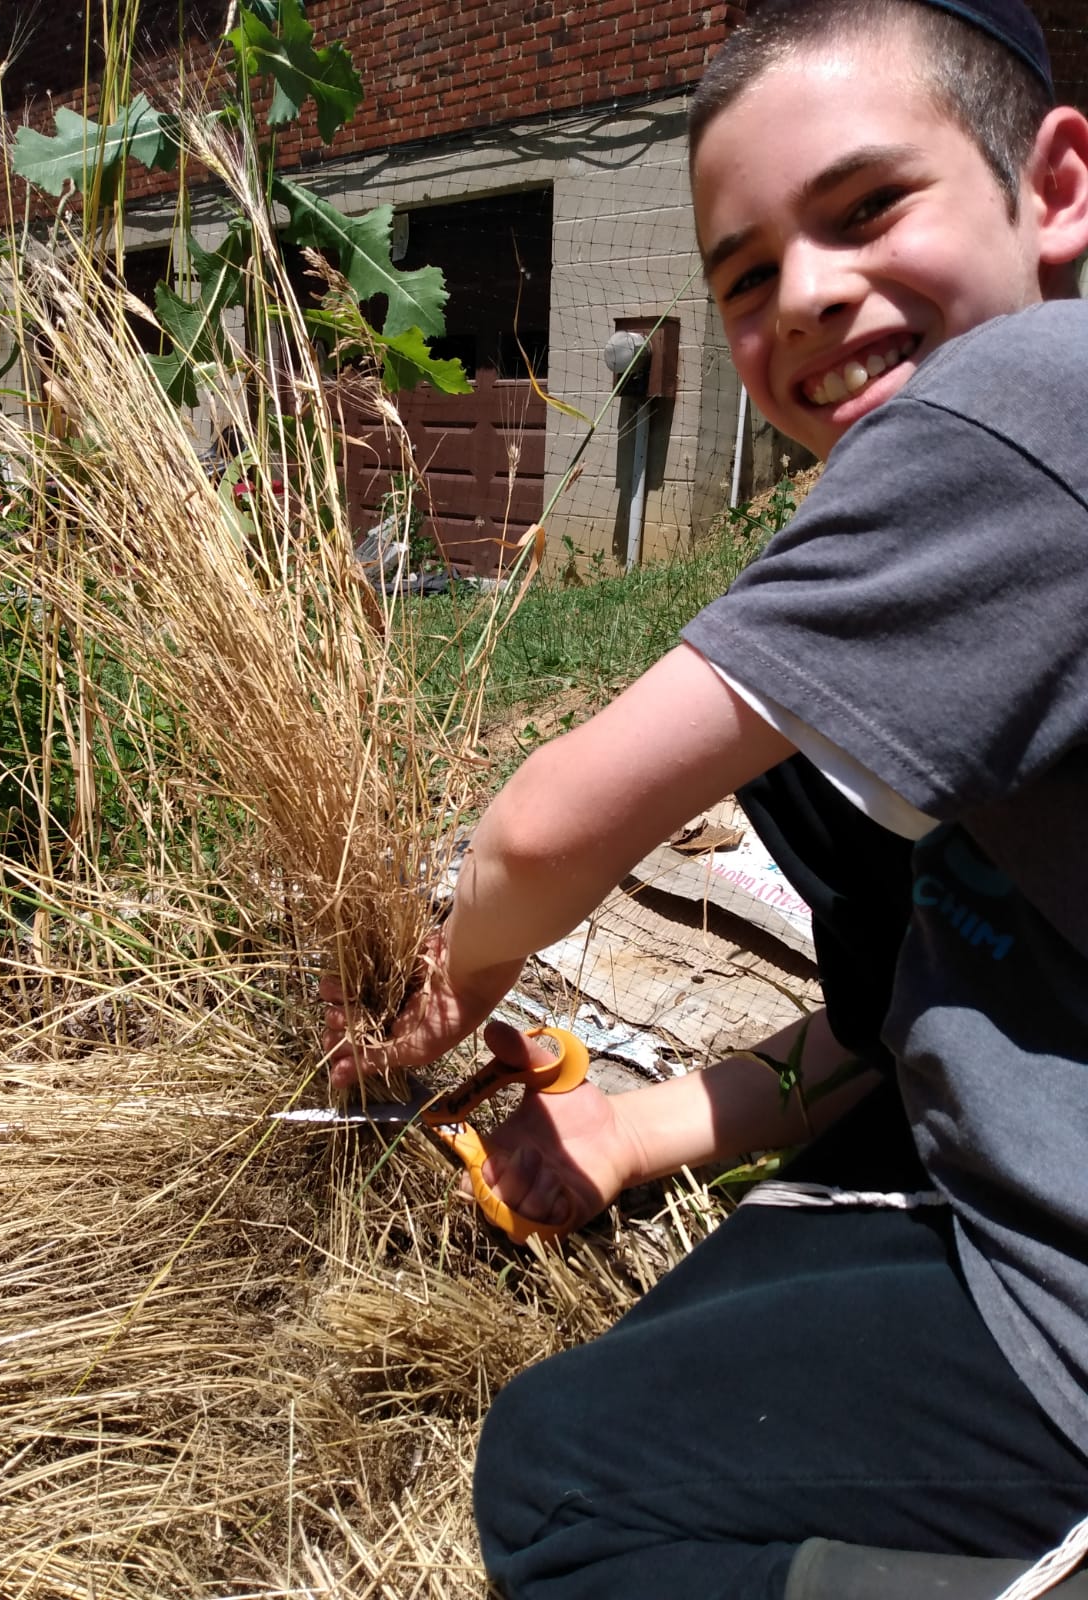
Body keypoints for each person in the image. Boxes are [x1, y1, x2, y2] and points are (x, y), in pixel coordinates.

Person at [323, 1, 1088, 1594]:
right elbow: (929, 998)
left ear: (1057, 191)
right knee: (693, 1333)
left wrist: (430, 993)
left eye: (869, 208)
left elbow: (545, 829)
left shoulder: (1031, 398)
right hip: (1011, 1161)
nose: (808, 294)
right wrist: (647, 1128)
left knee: (558, 1486)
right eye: (746, 275)